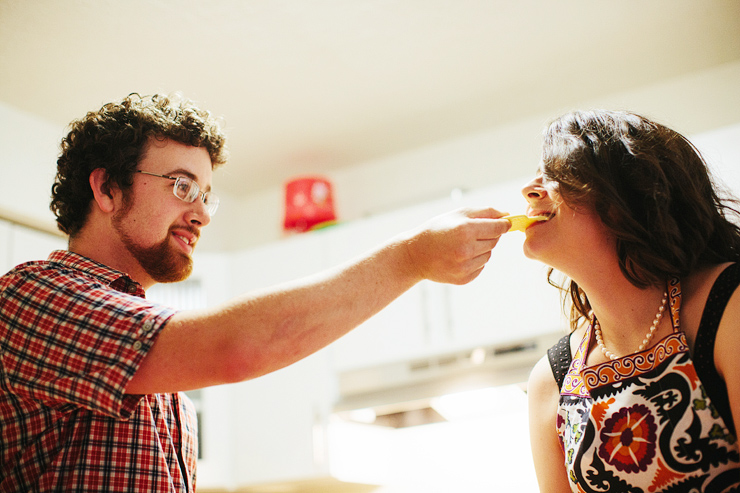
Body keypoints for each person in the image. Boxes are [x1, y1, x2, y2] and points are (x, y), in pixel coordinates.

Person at [0, 93, 511, 491]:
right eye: (181, 186)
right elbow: (237, 349)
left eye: (205, 195)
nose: (199, 213)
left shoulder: (155, 361)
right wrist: (411, 258)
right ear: (107, 189)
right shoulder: (30, 297)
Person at [525, 109, 740, 492]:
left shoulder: (729, 306)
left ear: (623, 196)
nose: (530, 189)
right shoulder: (552, 379)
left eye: (556, 174)